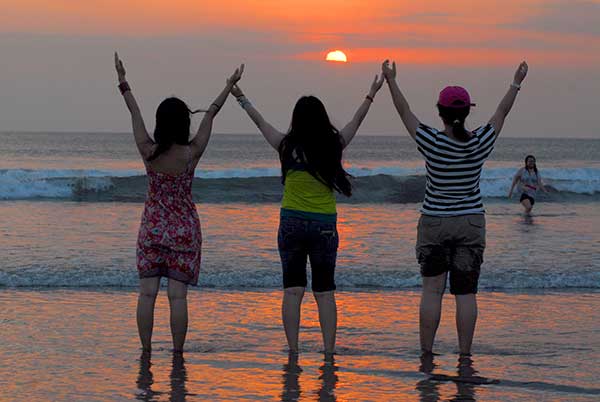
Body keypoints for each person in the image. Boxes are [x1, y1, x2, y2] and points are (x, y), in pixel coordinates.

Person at [230, 73, 384, 361]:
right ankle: (329, 352)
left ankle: (293, 352)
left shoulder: (286, 146)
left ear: (296, 119)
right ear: (323, 118)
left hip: (291, 223)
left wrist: (239, 96)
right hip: (324, 225)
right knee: (325, 292)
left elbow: (260, 122)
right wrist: (371, 93)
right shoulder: (333, 145)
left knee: (292, 291)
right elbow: (356, 121)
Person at [381, 59, 528, 359]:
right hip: (470, 222)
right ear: (467, 112)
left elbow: (404, 112)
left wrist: (391, 81)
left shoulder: (431, 141)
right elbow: (501, 113)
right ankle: (464, 355)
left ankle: (426, 353)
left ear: (440, 112)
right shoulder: (479, 142)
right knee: (466, 293)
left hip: (435, 221)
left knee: (432, 291)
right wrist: (516, 82)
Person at [114, 52, 244, 354]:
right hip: (184, 230)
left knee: (147, 294)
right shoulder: (191, 153)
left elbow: (134, 112)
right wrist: (229, 86)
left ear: (160, 123)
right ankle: (176, 354)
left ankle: (146, 352)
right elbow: (211, 115)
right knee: (177, 297)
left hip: (152, 230)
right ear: (185, 122)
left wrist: (123, 82)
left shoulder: (149, 151)